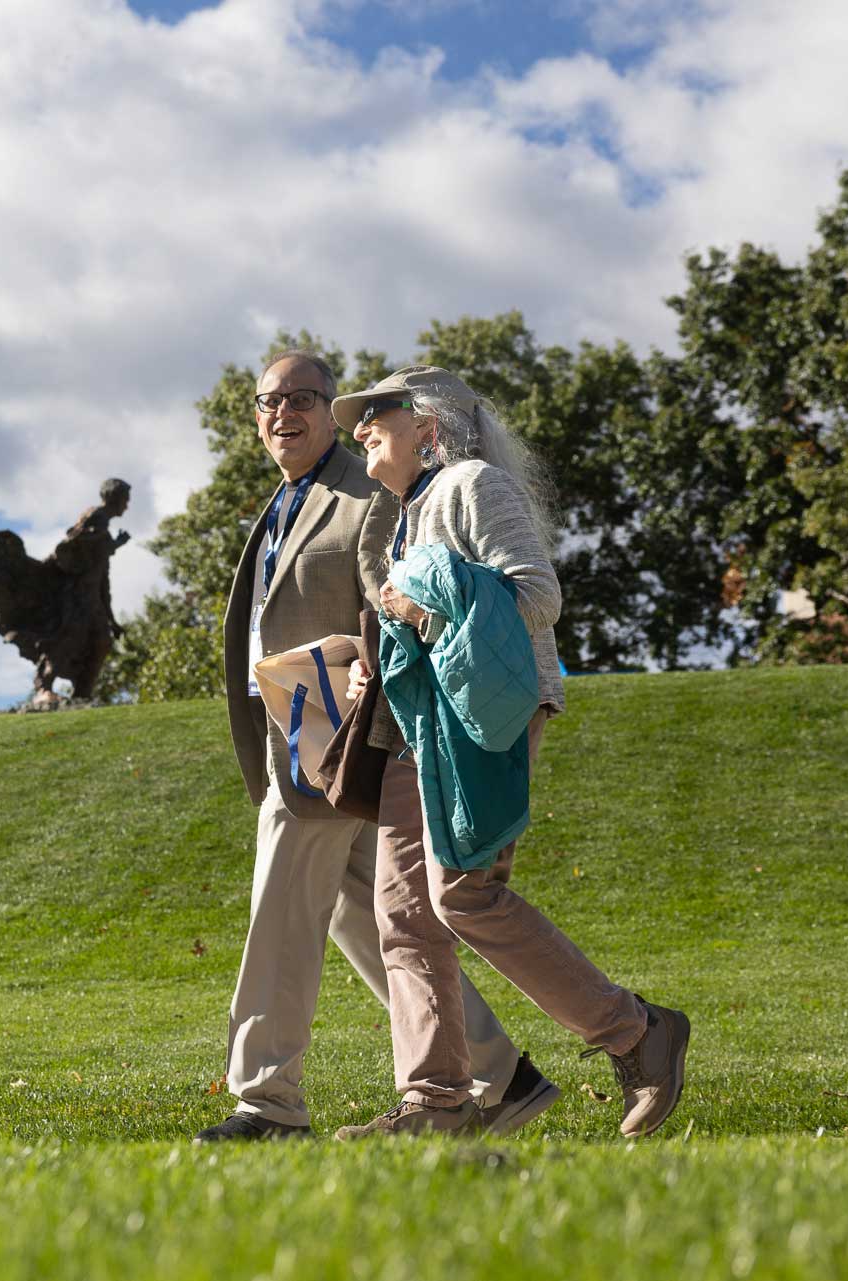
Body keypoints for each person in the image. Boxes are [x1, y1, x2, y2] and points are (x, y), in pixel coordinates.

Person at [198, 351, 560, 1142]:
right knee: (367, 917)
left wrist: (361, 682)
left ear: (331, 410)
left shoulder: (367, 488)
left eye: (302, 398)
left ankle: (267, 1102)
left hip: (340, 731)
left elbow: (391, 601)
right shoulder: (286, 499)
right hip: (301, 738)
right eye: (267, 401)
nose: (282, 412)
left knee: (283, 910)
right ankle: (501, 1076)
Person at [332, 365, 689, 1140]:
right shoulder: (398, 516)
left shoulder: (472, 485)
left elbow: (538, 595)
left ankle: (636, 1032)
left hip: (485, 712)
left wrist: (424, 602)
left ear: (426, 425)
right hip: (416, 722)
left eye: (376, 413)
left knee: (463, 896)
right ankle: (438, 1101)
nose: (359, 427)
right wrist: (379, 647)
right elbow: (420, 620)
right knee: (401, 912)